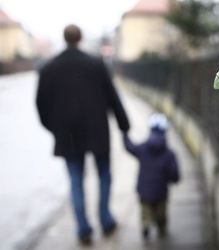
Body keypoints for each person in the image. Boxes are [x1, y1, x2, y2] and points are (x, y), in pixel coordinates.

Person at [36, 24, 130, 245]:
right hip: (97, 130)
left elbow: (41, 105)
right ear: (80, 38)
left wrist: (54, 127)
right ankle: (105, 220)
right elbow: (112, 97)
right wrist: (124, 125)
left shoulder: (50, 68)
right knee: (104, 175)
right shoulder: (96, 65)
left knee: (76, 180)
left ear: (64, 38)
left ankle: (83, 228)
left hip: (67, 134)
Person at [123, 113, 180, 239]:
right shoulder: (169, 154)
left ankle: (146, 225)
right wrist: (174, 179)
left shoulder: (143, 148)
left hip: (144, 190)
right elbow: (174, 173)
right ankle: (161, 227)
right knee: (161, 213)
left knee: (145, 211)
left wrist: (124, 134)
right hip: (161, 192)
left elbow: (130, 147)